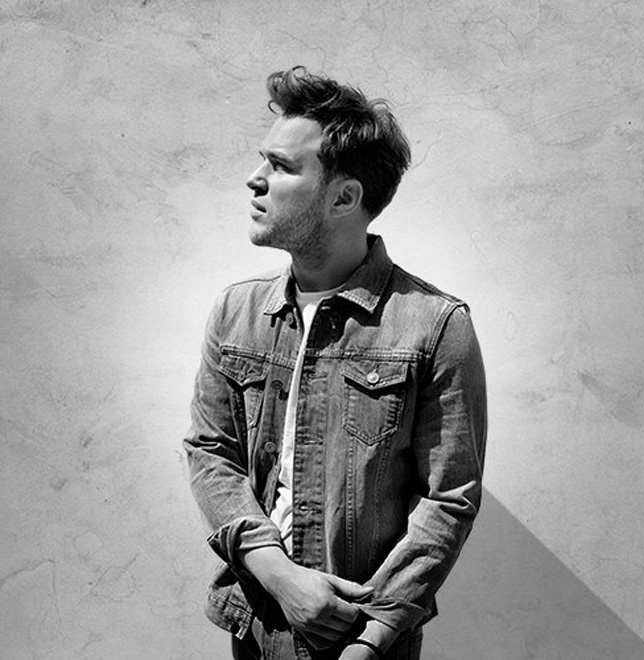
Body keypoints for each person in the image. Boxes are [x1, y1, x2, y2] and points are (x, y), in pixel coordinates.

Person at [184, 66, 487, 660]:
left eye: (281, 166)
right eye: (263, 160)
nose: (254, 178)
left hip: (363, 637)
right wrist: (278, 575)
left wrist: (373, 636)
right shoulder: (237, 311)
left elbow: (448, 498)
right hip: (255, 624)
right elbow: (210, 451)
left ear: (344, 197)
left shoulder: (435, 325)